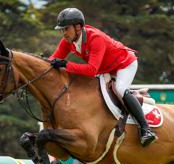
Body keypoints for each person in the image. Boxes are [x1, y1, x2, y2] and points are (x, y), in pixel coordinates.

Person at [48, 8, 157, 147]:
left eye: (66, 29)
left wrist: (66, 64)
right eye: (62, 30)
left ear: (78, 27)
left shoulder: (95, 38)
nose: (64, 33)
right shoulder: (68, 41)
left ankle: (146, 129)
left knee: (120, 89)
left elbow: (91, 70)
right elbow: (53, 59)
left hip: (124, 63)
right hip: (105, 68)